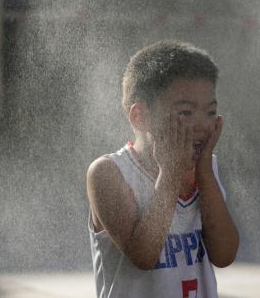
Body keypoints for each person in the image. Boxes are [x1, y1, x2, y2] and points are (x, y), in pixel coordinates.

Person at [86, 40, 239, 297]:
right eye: (185, 113)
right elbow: (144, 255)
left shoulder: (206, 170)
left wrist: (204, 175)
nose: (202, 125)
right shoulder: (109, 173)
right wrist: (170, 173)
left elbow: (224, 255)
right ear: (140, 117)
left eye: (210, 111)